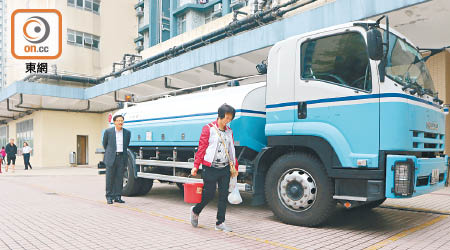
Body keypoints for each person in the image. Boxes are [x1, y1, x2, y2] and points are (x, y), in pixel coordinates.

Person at [190, 103, 239, 232]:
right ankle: (196, 210)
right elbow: (201, 148)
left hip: (224, 168)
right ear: (220, 116)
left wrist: (235, 166)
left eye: (230, 119)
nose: (228, 121)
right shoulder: (208, 129)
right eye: (226, 118)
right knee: (209, 194)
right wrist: (196, 165)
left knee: (223, 196)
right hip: (210, 167)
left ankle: (220, 222)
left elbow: (231, 149)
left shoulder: (229, 131)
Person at [102, 114, 131, 204]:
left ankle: (118, 196)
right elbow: (105, 144)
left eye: (121, 120)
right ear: (114, 122)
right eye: (118, 120)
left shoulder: (127, 133)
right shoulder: (108, 131)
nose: (120, 122)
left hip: (121, 157)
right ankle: (109, 196)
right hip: (111, 157)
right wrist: (110, 152)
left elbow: (126, 145)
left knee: (119, 178)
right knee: (110, 178)